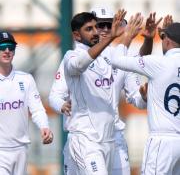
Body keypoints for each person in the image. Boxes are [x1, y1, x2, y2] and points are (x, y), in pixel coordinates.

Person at [61, 10, 137, 175]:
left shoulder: (106, 58)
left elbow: (129, 62)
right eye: (89, 29)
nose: (96, 32)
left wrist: (130, 38)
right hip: (86, 140)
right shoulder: (71, 56)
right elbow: (81, 64)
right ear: (76, 35)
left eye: (96, 27)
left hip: (108, 140)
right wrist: (111, 37)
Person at [111, 19, 180, 175]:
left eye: (163, 37)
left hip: (161, 141)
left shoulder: (158, 63)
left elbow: (116, 60)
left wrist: (128, 36)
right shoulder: (165, 63)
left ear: (168, 41)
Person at [0, 31, 53, 175]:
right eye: (2, 46)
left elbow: (37, 109)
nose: (7, 51)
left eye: (11, 47)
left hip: (21, 149)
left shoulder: (26, 79)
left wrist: (44, 126)